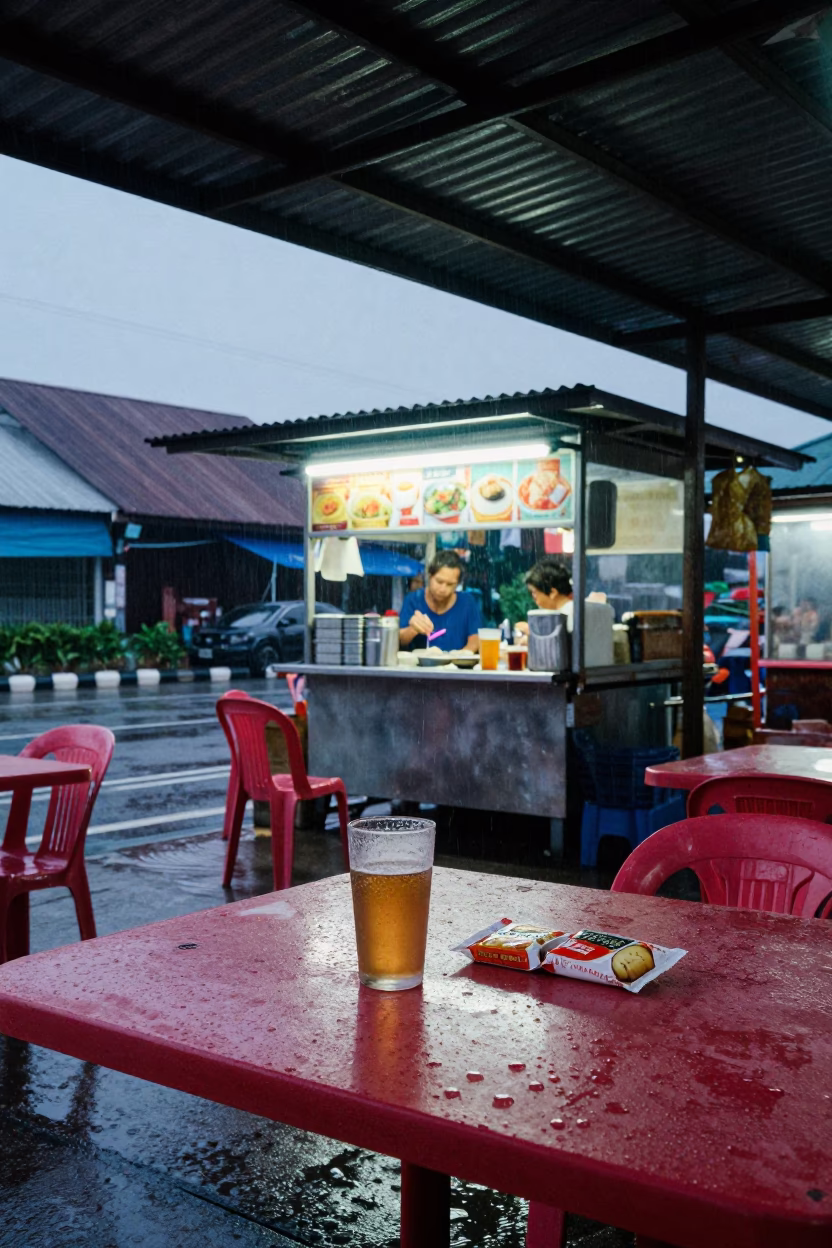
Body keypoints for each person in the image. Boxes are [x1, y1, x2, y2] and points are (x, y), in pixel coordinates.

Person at [399, 551, 481, 652]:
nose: (443, 589)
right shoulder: (413, 600)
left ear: (457, 584)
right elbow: (401, 640)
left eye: (450, 584)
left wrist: (463, 655)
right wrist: (413, 629)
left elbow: (475, 638)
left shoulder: (467, 602)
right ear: (430, 576)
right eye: (439, 581)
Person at [514, 558, 573, 637]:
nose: (534, 598)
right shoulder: (561, 613)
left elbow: (560, 645)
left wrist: (533, 633)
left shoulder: (571, 613)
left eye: (534, 592)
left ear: (553, 593)